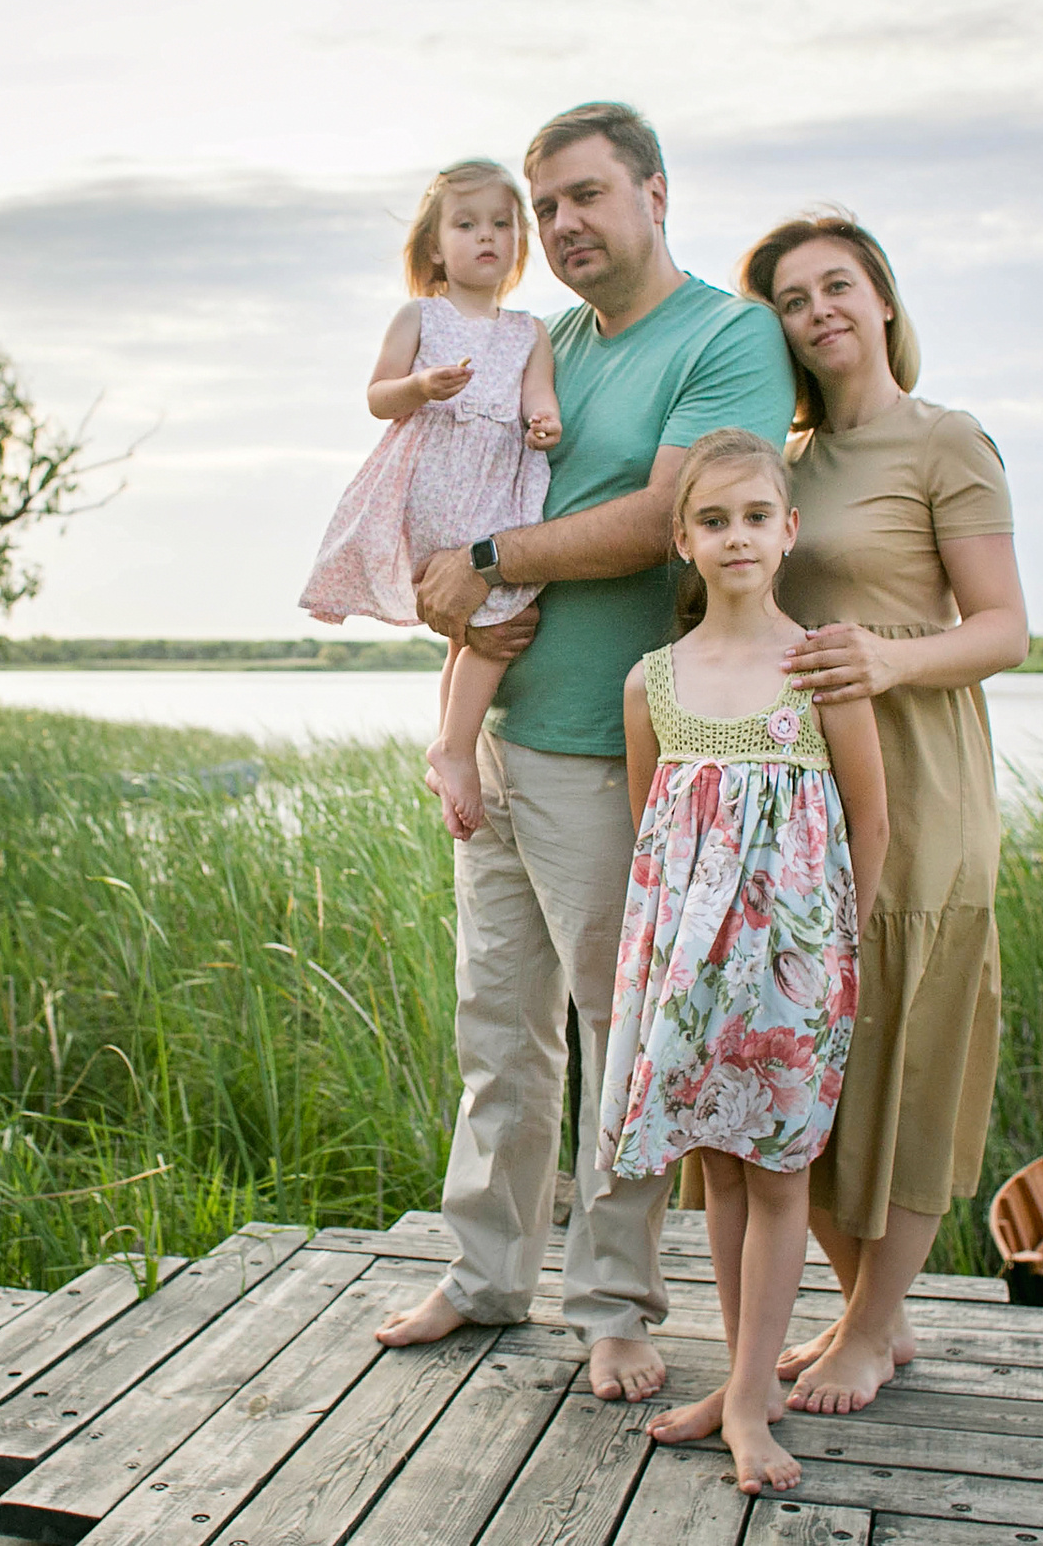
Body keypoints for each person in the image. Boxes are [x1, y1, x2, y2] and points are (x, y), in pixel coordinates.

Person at [374, 103, 793, 1406]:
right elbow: (454, 470)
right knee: (497, 1030)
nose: (558, 226)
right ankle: (487, 1271)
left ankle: (615, 1303)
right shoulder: (541, 337)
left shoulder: (726, 338)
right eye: (544, 204)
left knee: (623, 1038)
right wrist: (441, 585)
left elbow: (667, 513)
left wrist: (492, 559)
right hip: (496, 742)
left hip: (615, 760)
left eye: (585, 197)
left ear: (654, 195)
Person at [737, 208, 1029, 1415]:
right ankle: (873, 1315)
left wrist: (889, 663)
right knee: (816, 1055)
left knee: (910, 1050)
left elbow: (1005, 628)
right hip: (803, 794)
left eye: (838, 286)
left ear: (885, 298)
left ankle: (869, 1325)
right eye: (794, 300)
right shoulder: (778, 467)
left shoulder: (943, 441)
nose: (819, 312)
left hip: (925, 777)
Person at [598, 429, 887, 1494]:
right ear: (681, 539)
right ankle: (740, 1385)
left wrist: (838, 949)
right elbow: (653, 833)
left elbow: (870, 818)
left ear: (788, 530)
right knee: (715, 1167)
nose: (736, 538)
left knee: (778, 1173)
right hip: (690, 972)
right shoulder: (652, 683)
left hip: (796, 971)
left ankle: (754, 1407)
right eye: (712, 520)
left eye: (755, 517)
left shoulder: (819, 664)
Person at [300, 159, 563, 837]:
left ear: (518, 243)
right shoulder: (422, 315)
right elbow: (377, 395)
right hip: (442, 481)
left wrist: (544, 421)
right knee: (497, 612)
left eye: (502, 225)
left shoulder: (530, 331)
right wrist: (421, 387)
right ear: (435, 246)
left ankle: (452, 745)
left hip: (497, 480)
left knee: (464, 634)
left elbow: (538, 395)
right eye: (468, 224)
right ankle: (452, 746)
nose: (487, 237)